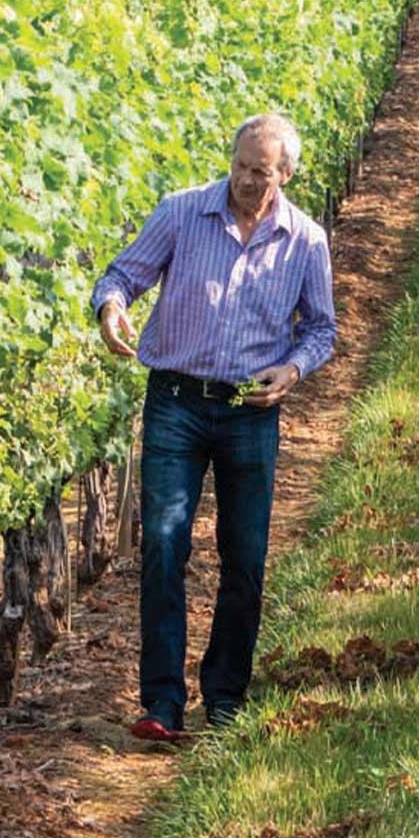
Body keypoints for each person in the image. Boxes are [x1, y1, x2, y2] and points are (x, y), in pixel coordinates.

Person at [92, 113, 336, 742]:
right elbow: (122, 275)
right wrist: (111, 306)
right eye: (241, 167)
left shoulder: (305, 240)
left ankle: (224, 697)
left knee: (245, 557)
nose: (249, 181)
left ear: (285, 174)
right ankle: (161, 705)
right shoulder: (181, 213)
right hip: (174, 399)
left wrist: (295, 369)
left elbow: (321, 329)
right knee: (165, 546)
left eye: (263, 172)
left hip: (249, 411)